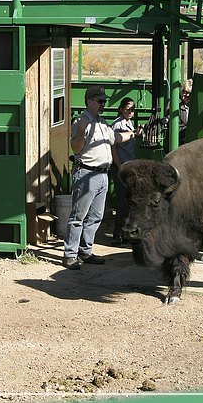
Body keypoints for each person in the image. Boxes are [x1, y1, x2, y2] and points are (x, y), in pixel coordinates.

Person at [64, 85, 135, 269]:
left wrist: (134, 133)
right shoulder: (81, 122)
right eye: (100, 101)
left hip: (102, 175)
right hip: (87, 173)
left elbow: (116, 139)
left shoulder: (102, 123)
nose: (103, 104)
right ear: (89, 101)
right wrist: (80, 130)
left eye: (104, 101)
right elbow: (76, 148)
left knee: (95, 217)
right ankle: (70, 254)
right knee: (78, 216)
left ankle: (85, 251)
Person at [110, 97, 140, 245]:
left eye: (132, 109)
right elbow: (113, 146)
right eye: (128, 109)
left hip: (128, 165)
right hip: (121, 166)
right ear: (121, 109)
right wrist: (119, 165)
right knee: (122, 201)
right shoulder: (118, 124)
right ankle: (118, 235)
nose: (130, 112)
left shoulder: (128, 123)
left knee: (127, 200)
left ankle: (123, 233)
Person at [179, 79, 192, 144]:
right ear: (181, 91)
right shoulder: (175, 105)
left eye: (190, 93)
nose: (187, 95)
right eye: (185, 92)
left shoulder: (195, 105)